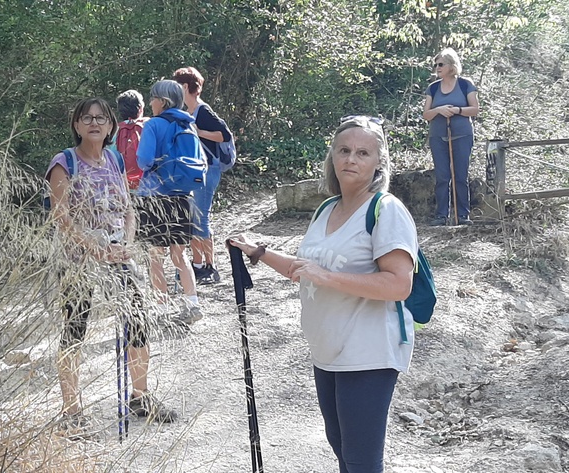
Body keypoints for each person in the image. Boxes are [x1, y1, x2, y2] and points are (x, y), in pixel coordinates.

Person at [229, 116, 418, 473]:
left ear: (379, 162)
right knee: (343, 452)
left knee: (361, 462)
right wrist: (258, 252)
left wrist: (328, 277)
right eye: (344, 150)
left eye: (363, 152)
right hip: (328, 351)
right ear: (332, 156)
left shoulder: (385, 210)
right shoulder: (327, 209)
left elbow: (398, 284)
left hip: (368, 353)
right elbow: (304, 269)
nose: (351, 159)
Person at [46, 97, 178, 438]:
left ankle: (141, 396)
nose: (94, 123)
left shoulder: (115, 158)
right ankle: (72, 410)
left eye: (101, 118)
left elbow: (128, 208)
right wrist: (95, 249)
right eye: (86, 118)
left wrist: (127, 244)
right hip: (79, 261)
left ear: (110, 126)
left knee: (137, 321)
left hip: (119, 254)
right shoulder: (64, 163)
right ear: (76, 125)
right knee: (75, 329)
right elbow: (60, 216)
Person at [135, 80, 205, 326]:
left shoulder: (153, 124)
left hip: (154, 197)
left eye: (153, 98)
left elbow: (144, 160)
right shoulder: (189, 124)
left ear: (162, 101)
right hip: (183, 197)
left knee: (155, 256)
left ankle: (162, 311)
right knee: (179, 254)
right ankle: (192, 304)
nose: (151, 102)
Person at [173, 66, 232, 285]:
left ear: (186, 86)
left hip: (209, 170)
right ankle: (201, 264)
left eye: (178, 85)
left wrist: (199, 132)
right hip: (198, 170)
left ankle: (207, 266)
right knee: (197, 217)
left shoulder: (202, 111)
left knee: (200, 218)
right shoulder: (189, 111)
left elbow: (224, 135)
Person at [423, 47, 480, 226]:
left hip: (462, 135)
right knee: (442, 176)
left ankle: (462, 215)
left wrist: (458, 110)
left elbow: (475, 109)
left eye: (441, 64)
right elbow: (426, 115)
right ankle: (441, 215)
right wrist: (438, 110)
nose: (437, 67)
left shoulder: (465, 84)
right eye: (436, 64)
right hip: (438, 136)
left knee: (460, 175)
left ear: (451, 65)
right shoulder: (432, 88)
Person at [115, 90, 148, 190]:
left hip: (122, 185)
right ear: (141, 108)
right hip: (145, 184)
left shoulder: (114, 131)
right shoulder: (148, 126)